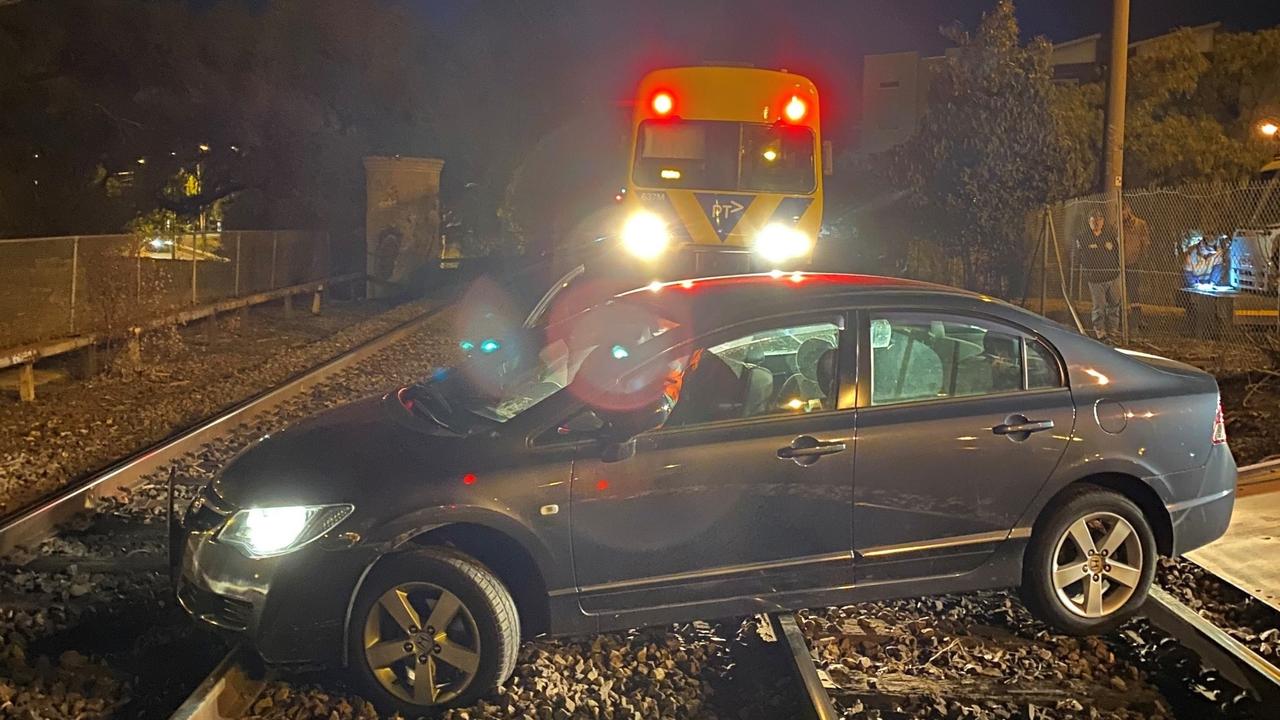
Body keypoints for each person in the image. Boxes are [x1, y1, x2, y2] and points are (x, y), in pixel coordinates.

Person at [1077, 208, 1121, 340]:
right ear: (1089, 222)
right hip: (1095, 279)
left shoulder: (1109, 236)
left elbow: (1116, 253)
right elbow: (1082, 257)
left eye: (1099, 220)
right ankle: (1100, 331)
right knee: (1099, 306)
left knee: (1114, 304)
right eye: (1094, 220)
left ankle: (1113, 330)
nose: (1097, 223)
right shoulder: (1083, 237)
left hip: (1112, 276)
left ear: (1103, 221)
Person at [1122, 203, 1150, 328]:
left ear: (1128, 210)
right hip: (1120, 264)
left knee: (1134, 291)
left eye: (1124, 210)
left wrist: (1142, 258)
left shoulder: (1140, 224)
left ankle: (1137, 319)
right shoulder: (1117, 225)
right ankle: (1120, 318)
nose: (1122, 214)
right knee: (1119, 292)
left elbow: (1145, 242)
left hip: (1134, 262)